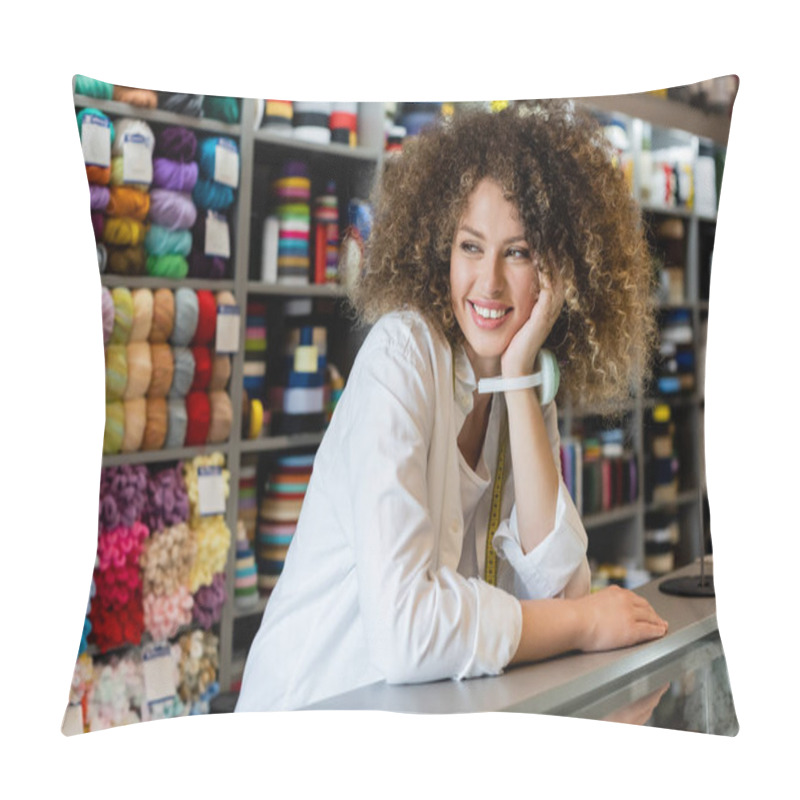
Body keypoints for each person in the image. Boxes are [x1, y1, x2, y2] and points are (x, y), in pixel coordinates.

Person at [235, 100, 667, 713]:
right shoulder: (401, 356)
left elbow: (565, 584)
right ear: (440, 246)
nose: (488, 283)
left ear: (558, 270)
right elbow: (408, 629)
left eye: (517, 252)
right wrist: (583, 626)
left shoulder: (519, 385)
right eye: (471, 246)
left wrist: (519, 376)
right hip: (309, 717)